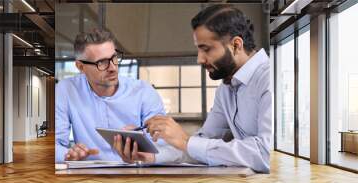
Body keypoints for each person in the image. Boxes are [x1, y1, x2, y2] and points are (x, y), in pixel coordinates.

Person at [113, 5, 272, 173]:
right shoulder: (226, 89)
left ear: (236, 45)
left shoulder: (269, 79)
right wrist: (152, 157)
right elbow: (202, 144)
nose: (199, 59)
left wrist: (186, 141)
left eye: (206, 49)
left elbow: (266, 154)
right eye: (198, 49)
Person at [55, 28, 166, 162]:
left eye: (114, 58)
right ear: (80, 67)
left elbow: (165, 146)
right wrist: (68, 154)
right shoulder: (66, 90)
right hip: (90, 178)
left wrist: (143, 148)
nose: (113, 68)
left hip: (135, 174)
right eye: (101, 62)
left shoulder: (144, 92)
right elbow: (54, 144)